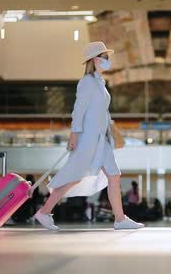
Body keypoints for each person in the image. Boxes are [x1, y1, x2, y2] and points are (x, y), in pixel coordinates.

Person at [34, 42, 144, 231]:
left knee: (114, 175)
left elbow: (102, 111)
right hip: (88, 139)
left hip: (103, 139)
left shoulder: (100, 82)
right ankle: (44, 212)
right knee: (74, 176)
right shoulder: (87, 82)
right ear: (95, 59)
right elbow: (78, 111)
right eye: (104, 57)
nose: (108, 60)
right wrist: (74, 135)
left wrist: (112, 128)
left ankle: (120, 219)